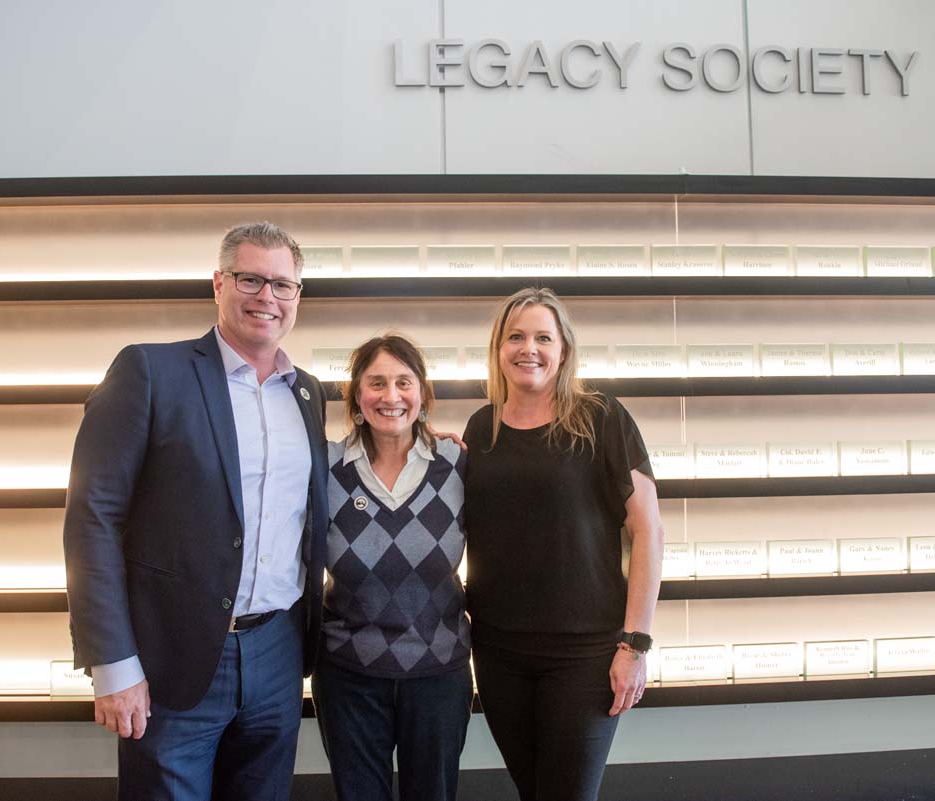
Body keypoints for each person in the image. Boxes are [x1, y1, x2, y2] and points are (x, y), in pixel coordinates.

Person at [62, 221, 329, 801]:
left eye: (283, 285)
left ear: (298, 297)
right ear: (218, 283)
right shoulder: (150, 372)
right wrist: (113, 664)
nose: (267, 297)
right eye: (250, 279)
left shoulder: (307, 394)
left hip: (278, 652)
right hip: (170, 660)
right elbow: (93, 518)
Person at [462, 287, 664, 801]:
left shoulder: (601, 418)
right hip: (498, 650)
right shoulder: (480, 428)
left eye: (542, 337)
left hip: (585, 654)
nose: (528, 348)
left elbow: (648, 530)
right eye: (516, 337)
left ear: (564, 350)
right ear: (498, 348)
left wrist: (634, 644)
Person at [312, 334, 473, 801]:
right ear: (357, 398)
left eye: (404, 381)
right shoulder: (324, 468)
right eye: (376, 383)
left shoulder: (459, 464)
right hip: (349, 674)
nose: (391, 395)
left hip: (438, 675)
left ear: (422, 394)